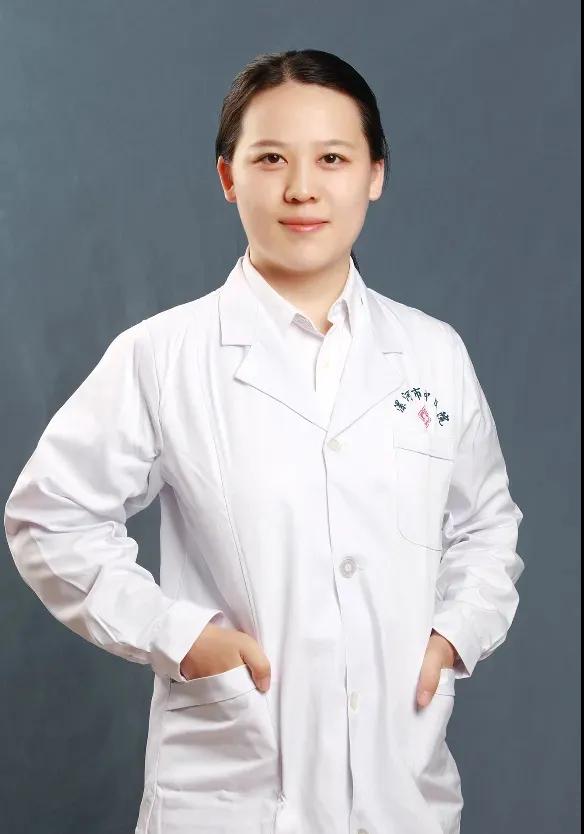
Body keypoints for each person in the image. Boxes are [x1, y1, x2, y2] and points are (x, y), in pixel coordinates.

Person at [4, 49, 525, 834]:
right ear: (228, 176)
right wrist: (180, 636)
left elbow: (487, 524)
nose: (302, 188)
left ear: (375, 174)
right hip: (233, 794)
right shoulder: (163, 355)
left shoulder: (432, 353)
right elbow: (49, 516)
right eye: (272, 158)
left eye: (333, 159)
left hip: (402, 793)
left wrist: (454, 636)